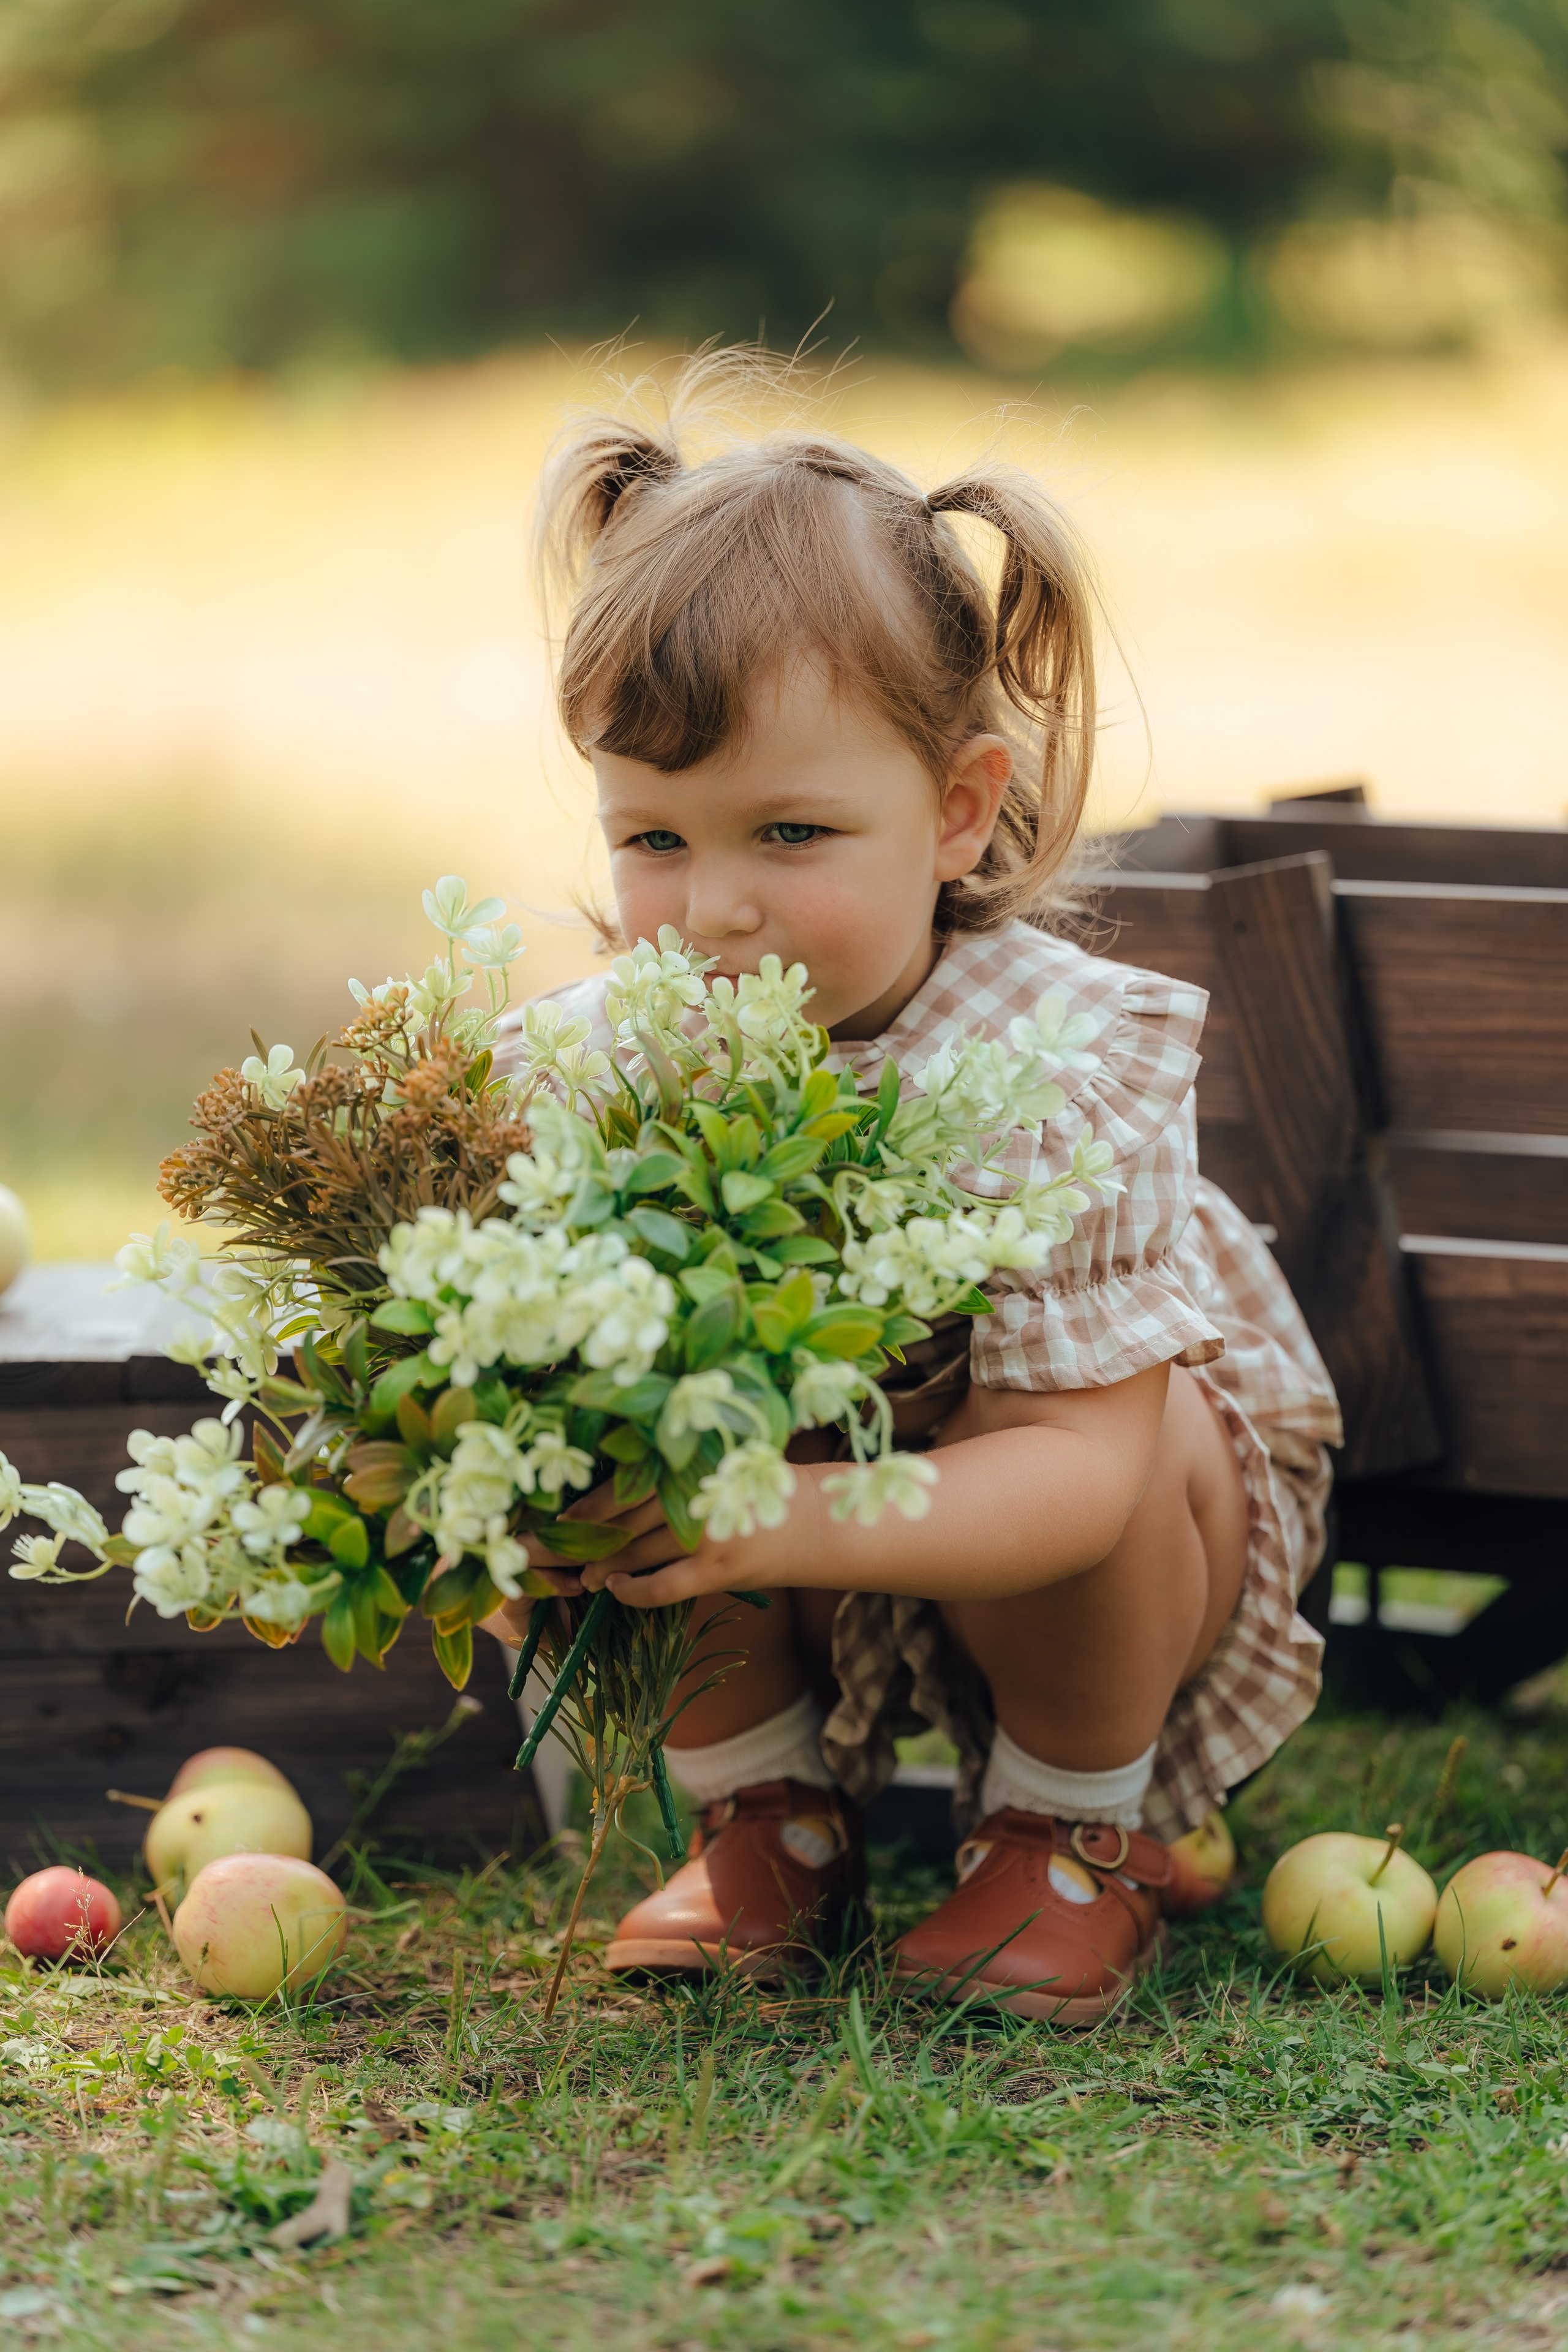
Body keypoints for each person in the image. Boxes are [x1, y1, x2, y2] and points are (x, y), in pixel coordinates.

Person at [489, 360, 1341, 2022]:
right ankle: (765, 1819)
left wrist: (775, 1520)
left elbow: (1084, 1483)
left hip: (1111, 1527)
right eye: (653, 839)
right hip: (813, 1517)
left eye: (790, 834)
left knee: (1125, 1432)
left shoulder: (1049, 1062)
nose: (712, 910)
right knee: (582, 1402)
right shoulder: (597, 1073)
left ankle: (1065, 1837)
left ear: (957, 810)